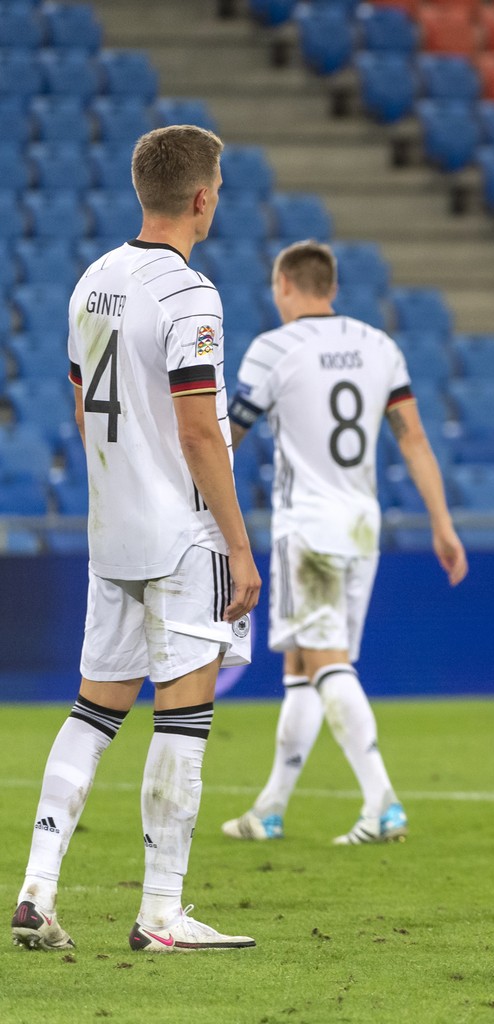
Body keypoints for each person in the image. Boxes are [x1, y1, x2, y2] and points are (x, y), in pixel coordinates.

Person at [11, 125, 260, 953]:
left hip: (111, 532)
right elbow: (199, 434)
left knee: (93, 712)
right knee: (183, 719)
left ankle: (37, 890)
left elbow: (84, 410)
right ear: (201, 197)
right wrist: (239, 544)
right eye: (217, 188)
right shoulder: (192, 295)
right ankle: (160, 913)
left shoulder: (91, 283)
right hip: (183, 535)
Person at [220, 241, 467, 846]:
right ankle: (270, 810)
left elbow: (227, 436)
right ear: (329, 285)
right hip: (362, 524)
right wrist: (442, 521)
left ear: (284, 284)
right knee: (303, 665)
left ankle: (382, 802)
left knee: (326, 661)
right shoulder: (379, 346)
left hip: (310, 524)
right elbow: (411, 438)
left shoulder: (274, 349)